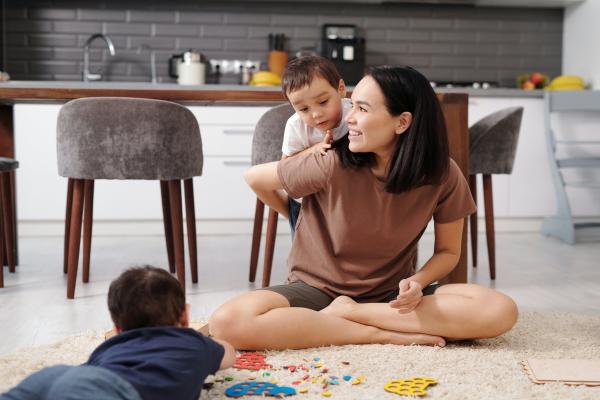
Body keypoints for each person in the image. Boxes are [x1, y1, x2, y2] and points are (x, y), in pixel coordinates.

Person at [209, 66, 518, 350]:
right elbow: (255, 178)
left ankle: (352, 315)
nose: (349, 118)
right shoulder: (330, 162)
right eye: (352, 105)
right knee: (227, 322)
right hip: (317, 291)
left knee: (499, 311)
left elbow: (449, 252)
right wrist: (294, 212)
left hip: (391, 296)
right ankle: (377, 333)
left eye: (362, 108)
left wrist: (419, 281)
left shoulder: (443, 175)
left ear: (402, 122)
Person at [1, 266, 235, 400]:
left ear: (116, 327)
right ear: (185, 317)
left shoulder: (111, 347)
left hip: (57, 375)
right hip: (111, 392)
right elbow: (229, 354)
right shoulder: (194, 343)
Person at [280, 55, 352, 232]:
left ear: (341, 89)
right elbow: (285, 166)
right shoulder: (296, 125)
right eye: (304, 109)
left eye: (323, 102)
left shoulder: (354, 113)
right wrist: (314, 150)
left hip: (347, 199)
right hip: (308, 202)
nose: (316, 114)